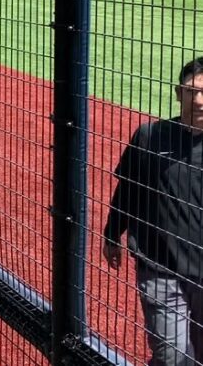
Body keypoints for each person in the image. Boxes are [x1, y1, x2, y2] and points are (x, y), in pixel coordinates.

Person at [104, 57, 203, 366]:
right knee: (173, 357)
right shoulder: (151, 136)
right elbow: (128, 190)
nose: (199, 100)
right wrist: (111, 234)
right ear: (178, 93)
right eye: (192, 91)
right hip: (160, 267)